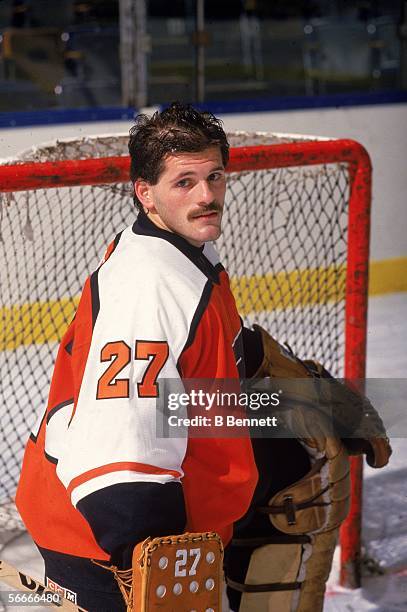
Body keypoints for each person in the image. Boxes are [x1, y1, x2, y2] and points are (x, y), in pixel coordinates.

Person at [16, 102, 260, 611]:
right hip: (110, 548)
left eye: (215, 176)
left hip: (153, 535)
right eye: (185, 181)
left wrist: (310, 408)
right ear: (144, 191)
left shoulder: (180, 254)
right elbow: (121, 452)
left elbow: (197, 393)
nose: (208, 195)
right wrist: (150, 568)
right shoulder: (149, 287)